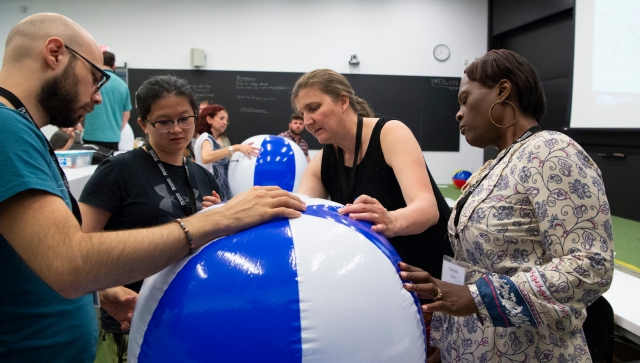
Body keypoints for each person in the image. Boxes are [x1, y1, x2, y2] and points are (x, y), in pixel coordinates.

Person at [0, 13, 305, 363]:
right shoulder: (7, 130)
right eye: (96, 79)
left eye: (185, 119)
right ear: (55, 53)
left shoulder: (21, 131)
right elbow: (69, 262)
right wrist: (219, 219)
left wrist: (99, 288)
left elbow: (56, 261)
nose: (98, 98)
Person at [399, 49, 614, 363]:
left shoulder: (551, 151)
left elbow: (591, 266)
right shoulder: (492, 167)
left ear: (502, 90)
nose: (458, 113)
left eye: (464, 99)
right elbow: (472, 266)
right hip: (472, 348)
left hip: (530, 351)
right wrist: (445, 331)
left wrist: (477, 297)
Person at [79, 75, 221, 363]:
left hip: (186, 319)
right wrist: (102, 288)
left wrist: (218, 216)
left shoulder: (203, 176)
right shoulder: (117, 171)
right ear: (143, 124)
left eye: (185, 118)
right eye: (164, 122)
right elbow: (76, 243)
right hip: (127, 322)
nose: (177, 129)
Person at [293, 69, 453, 282]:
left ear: (343, 101)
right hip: (383, 278)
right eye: (302, 113)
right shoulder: (321, 163)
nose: (307, 121)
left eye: (313, 108)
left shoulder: (391, 134)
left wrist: (392, 220)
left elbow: (427, 209)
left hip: (431, 274)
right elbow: (302, 217)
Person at [194, 104, 260, 200]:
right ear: (209, 119)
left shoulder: (214, 139)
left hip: (218, 190)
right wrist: (235, 147)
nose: (225, 122)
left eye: (226, 120)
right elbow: (206, 157)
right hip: (210, 189)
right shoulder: (205, 137)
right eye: (221, 119)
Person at [82, 50, 131, 151]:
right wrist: (116, 131)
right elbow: (126, 114)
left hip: (90, 136)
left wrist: (85, 127)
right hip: (113, 138)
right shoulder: (122, 85)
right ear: (114, 65)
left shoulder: (89, 82)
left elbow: (81, 106)